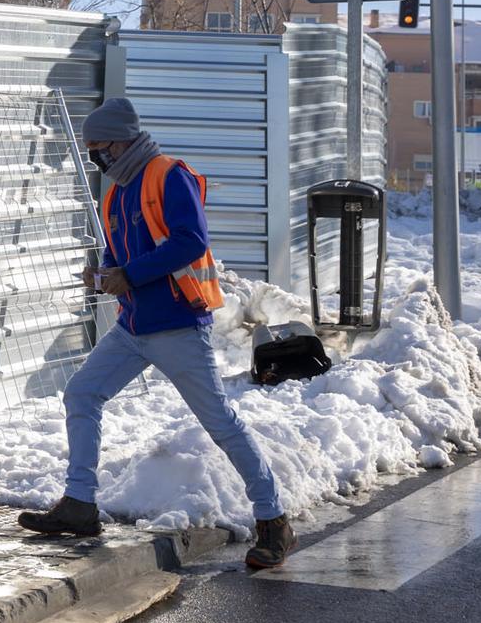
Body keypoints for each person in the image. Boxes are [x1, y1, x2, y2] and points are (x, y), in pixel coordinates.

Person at [17, 97, 296, 570]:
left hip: (178, 326)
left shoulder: (168, 175)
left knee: (220, 422)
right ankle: (80, 505)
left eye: (98, 145)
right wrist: (106, 274)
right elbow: (117, 249)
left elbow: (191, 240)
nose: (94, 155)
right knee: (82, 394)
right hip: (133, 326)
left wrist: (131, 274)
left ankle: (273, 519)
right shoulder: (117, 189)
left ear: (122, 140)